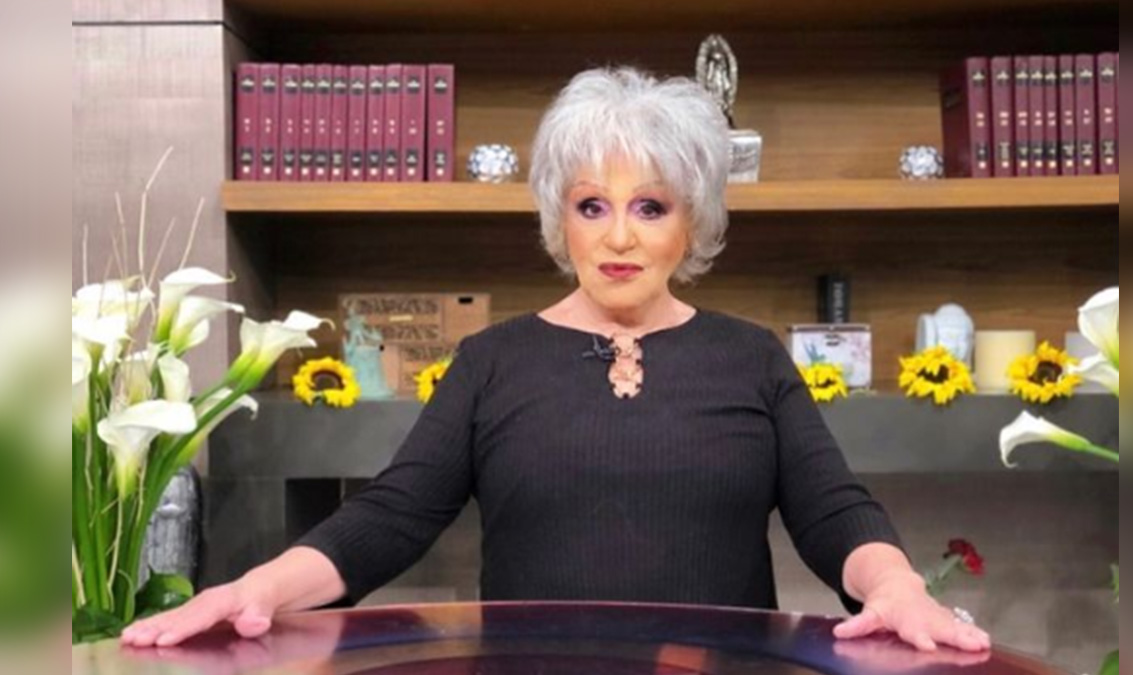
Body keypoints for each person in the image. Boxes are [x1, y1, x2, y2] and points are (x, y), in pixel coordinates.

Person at [122, 67, 991, 654]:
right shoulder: (491, 361)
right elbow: (390, 515)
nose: (619, 237)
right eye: (592, 205)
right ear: (557, 216)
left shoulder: (750, 357)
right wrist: (258, 587)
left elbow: (834, 511)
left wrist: (898, 585)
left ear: (693, 219)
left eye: (650, 206)